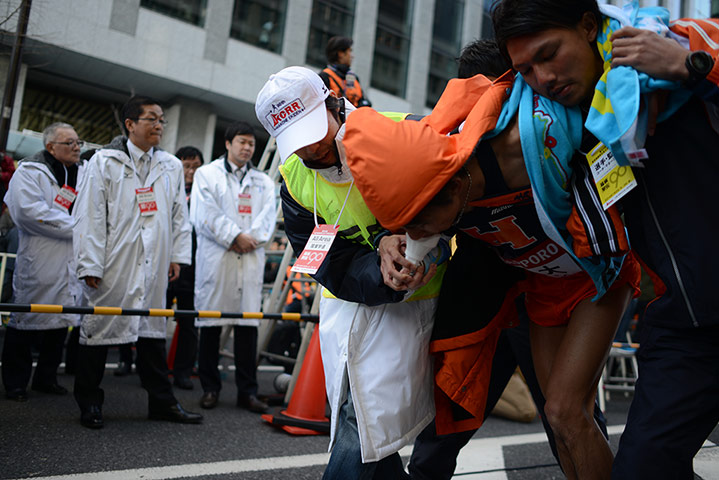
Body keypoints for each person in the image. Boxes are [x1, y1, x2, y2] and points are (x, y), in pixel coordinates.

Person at [342, 62, 640, 479]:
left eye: (419, 223)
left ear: (450, 190)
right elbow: (423, 244)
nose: (417, 233)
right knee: (563, 419)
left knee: (565, 409)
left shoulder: (523, 147)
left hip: (595, 277)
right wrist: (387, 243)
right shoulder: (430, 198)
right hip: (539, 287)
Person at [492, 1, 719, 478]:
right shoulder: (567, 129)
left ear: (588, 25)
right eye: (526, 70)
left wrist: (691, 67)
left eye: (549, 54)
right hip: (683, 332)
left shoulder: (682, 44)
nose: (543, 78)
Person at [406, 39, 605, 480]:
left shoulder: (550, 141)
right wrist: (397, 244)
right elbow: (419, 213)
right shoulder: (448, 157)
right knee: (445, 429)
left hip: (557, 292)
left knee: (568, 416)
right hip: (489, 303)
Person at [256, 66, 443, 479]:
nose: (307, 150)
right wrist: (379, 256)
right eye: (294, 141)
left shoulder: (402, 132)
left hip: (419, 302)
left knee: (368, 418)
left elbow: (454, 200)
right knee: (364, 419)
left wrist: (412, 242)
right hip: (346, 303)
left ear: (331, 103)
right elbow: (317, 253)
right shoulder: (294, 176)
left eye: (311, 131)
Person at [72, 95, 202, 429]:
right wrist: (89, 264)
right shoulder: (104, 162)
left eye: (162, 120)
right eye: (151, 119)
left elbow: (178, 215)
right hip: (114, 259)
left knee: (151, 332)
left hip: (154, 261)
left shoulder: (170, 165)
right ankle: (89, 402)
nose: (159, 125)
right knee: (99, 330)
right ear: (130, 124)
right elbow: (90, 215)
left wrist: (177, 256)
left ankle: (162, 401)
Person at [190, 122, 276, 413]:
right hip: (218, 257)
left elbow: (268, 216)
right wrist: (234, 236)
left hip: (250, 257)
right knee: (211, 327)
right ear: (228, 143)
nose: (247, 148)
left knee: (246, 330)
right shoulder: (207, 174)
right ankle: (210, 388)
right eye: (241, 142)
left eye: (251, 144)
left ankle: (247, 392)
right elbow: (205, 214)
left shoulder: (263, 181)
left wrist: (250, 238)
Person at [1, 122, 85, 402]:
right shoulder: (30, 171)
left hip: (72, 258)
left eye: (78, 142)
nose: (76, 148)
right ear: (51, 147)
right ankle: (15, 382)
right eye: (69, 143)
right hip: (40, 255)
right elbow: (27, 211)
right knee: (25, 320)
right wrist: (77, 227)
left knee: (61, 321)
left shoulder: (83, 172)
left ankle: (46, 378)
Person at [166, 145, 203, 390]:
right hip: (167, 264)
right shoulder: (168, 188)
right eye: (186, 166)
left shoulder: (204, 191)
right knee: (154, 316)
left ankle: (183, 371)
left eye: (195, 167)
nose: (190, 171)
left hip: (194, 266)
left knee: (188, 322)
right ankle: (135, 362)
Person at [318, 36, 371, 108]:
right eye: (350, 51)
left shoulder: (354, 78)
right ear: (341, 54)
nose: (352, 56)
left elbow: (364, 103)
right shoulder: (324, 77)